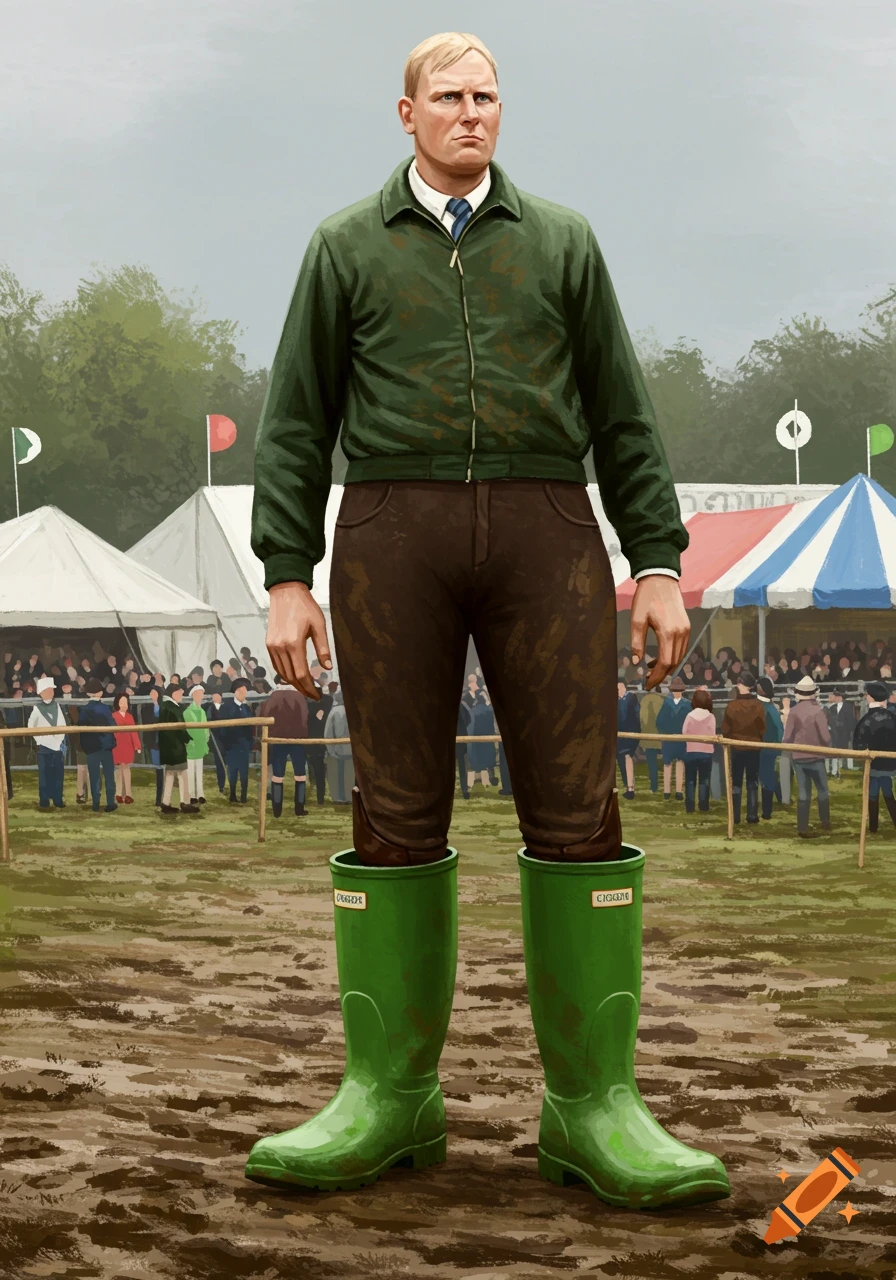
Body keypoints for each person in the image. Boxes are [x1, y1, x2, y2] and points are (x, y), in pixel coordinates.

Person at [246, 30, 724, 1212]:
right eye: (448, 98)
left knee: (577, 802)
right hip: (388, 535)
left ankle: (590, 1104)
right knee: (393, 804)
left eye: (487, 97)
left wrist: (655, 560)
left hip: (544, 530)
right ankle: (391, 1094)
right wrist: (285, 573)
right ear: (402, 115)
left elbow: (621, 408)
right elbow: (297, 415)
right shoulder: (343, 246)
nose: (472, 114)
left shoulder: (559, 242)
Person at [782, 675, 831, 837]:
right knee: (823, 790)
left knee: (803, 793)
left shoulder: (794, 712)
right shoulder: (818, 711)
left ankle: (802, 827)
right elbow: (826, 737)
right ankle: (825, 821)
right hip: (817, 757)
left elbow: (787, 737)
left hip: (799, 758)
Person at [262, 673, 309, 817]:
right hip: (297, 740)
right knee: (300, 775)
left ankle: (277, 810)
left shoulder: (274, 697)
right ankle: (299, 809)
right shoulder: (299, 696)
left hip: (277, 740)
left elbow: (266, 716)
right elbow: (304, 717)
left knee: (277, 776)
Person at [721, 672, 765, 824]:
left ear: (743, 686)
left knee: (737, 782)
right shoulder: (758, 706)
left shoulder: (732, 706)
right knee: (752, 781)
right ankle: (752, 815)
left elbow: (725, 729)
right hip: (754, 747)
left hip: (737, 747)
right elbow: (762, 728)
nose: (737, 686)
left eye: (739, 683)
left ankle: (736, 816)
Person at [853, 680, 896, 832]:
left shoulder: (866, 720)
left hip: (873, 764)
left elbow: (858, 745)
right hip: (890, 764)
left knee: (873, 793)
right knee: (887, 791)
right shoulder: (892, 717)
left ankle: (873, 827)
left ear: (870, 698)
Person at [77, 679, 119, 813]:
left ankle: (95, 803)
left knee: (94, 776)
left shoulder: (84, 710)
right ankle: (110, 802)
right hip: (106, 747)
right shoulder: (105, 709)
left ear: (88, 693)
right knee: (109, 776)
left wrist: (85, 745)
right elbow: (113, 726)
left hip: (91, 748)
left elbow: (81, 729)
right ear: (100, 693)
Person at [27, 675, 68, 810]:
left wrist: (59, 739)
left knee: (58, 774)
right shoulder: (37, 708)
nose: (51, 692)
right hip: (44, 747)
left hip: (57, 747)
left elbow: (62, 724)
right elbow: (30, 727)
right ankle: (44, 800)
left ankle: (57, 799)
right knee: (44, 775)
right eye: (49, 689)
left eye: (52, 690)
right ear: (42, 692)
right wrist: (40, 740)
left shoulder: (57, 706)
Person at [158, 684, 200, 815]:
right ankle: (185, 802)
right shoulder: (175, 709)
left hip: (166, 747)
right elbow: (181, 729)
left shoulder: (163, 707)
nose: (181, 696)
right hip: (176, 747)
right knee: (182, 774)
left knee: (169, 774)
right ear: (174, 694)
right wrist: (188, 739)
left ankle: (165, 802)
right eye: (180, 693)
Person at [221, 678, 255, 804]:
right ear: (236, 692)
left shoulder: (247, 708)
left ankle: (244, 795)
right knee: (233, 771)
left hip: (244, 744)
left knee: (244, 771)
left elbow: (251, 725)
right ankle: (233, 794)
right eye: (241, 691)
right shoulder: (228, 707)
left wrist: (250, 741)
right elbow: (223, 726)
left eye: (245, 691)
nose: (243, 694)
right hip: (232, 744)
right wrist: (226, 743)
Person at [656, 677, 691, 800]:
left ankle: (679, 791)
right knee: (667, 764)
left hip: (681, 739)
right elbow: (659, 721)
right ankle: (666, 791)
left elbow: (689, 722)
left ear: (682, 691)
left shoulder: (687, 704)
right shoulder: (666, 703)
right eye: (675, 690)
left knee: (680, 763)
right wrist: (664, 734)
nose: (677, 692)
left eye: (679, 690)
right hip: (669, 739)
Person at [681, 689, 715, 812]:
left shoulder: (689, 716)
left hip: (691, 751)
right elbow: (712, 734)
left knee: (690, 780)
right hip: (706, 753)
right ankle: (703, 806)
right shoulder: (711, 716)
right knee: (704, 780)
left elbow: (684, 732)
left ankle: (690, 806)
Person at [756, 676, 783, 819]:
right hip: (761, 747)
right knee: (765, 775)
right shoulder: (765, 706)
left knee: (766, 777)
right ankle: (779, 794)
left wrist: (778, 745)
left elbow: (779, 729)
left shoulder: (770, 708)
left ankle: (767, 811)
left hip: (767, 748)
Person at [323, 687, 354, 803]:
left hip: (336, 750)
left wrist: (330, 750)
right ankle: (349, 797)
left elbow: (328, 733)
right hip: (350, 750)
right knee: (349, 775)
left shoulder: (334, 712)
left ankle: (338, 798)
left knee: (336, 775)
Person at [183, 683, 210, 805]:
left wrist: (205, 740)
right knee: (190, 770)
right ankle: (191, 794)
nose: (201, 696)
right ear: (193, 695)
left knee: (199, 770)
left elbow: (206, 728)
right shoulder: (187, 712)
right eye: (199, 694)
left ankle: (200, 794)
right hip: (191, 745)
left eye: (202, 694)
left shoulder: (202, 712)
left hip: (200, 744)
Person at [111, 691, 141, 804]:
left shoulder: (130, 717)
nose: (124, 705)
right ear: (117, 703)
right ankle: (118, 793)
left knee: (126, 769)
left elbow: (133, 732)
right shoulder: (113, 716)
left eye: (126, 702)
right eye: (121, 702)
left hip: (127, 746)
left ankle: (128, 794)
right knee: (118, 771)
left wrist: (137, 745)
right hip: (117, 746)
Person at [139, 685, 164, 807]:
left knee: (167, 771)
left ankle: (165, 797)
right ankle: (159, 798)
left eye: (155, 693)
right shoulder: (145, 709)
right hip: (154, 743)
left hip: (165, 742)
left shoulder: (164, 707)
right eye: (151, 693)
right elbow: (149, 722)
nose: (153, 695)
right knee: (159, 770)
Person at [467, 688, 496, 789]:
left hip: (476, 737)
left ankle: (477, 780)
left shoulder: (472, 710)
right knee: (488, 757)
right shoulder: (490, 710)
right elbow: (492, 724)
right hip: (488, 736)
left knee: (477, 758)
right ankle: (488, 779)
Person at [638, 682, 664, 793]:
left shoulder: (644, 700)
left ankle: (654, 787)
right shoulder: (662, 700)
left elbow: (642, 719)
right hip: (662, 736)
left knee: (652, 763)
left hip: (648, 736)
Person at [616, 680, 640, 799]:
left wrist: (633, 732)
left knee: (627, 757)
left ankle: (630, 787)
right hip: (618, 736)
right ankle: (628, 786)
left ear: (625, 687)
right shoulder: (614, 701)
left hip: (630, 734)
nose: (619, 689)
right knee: (621, 761)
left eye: (621, 686)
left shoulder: (632, 698)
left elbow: (636, 715)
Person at [825, 688, 855, 778]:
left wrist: (850, 731)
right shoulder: (832, 708)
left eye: (837, 696)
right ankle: (835, 770)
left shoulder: (848, 706)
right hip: (834, 732)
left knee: (844, 749)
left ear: (841, 697)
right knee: (835, 749)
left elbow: (851, 719)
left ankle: (843, 767)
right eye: (835, 696)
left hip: (845, 732)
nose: (836, 698)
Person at [206, 690, 229, 794]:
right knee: (219, 762)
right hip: (216, 738)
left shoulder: (226, 707)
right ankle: (221, 785)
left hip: (227, 738)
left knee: (228, 761)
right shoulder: (210, 708)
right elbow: (209, 720)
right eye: (214, 696)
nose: (216, 697)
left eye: (218, 695)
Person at [456, 698, 471, 798]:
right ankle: (465, 790)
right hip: (461, 737)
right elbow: (468, 719)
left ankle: (464, 790)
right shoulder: (461, 705)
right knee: (462, 766)